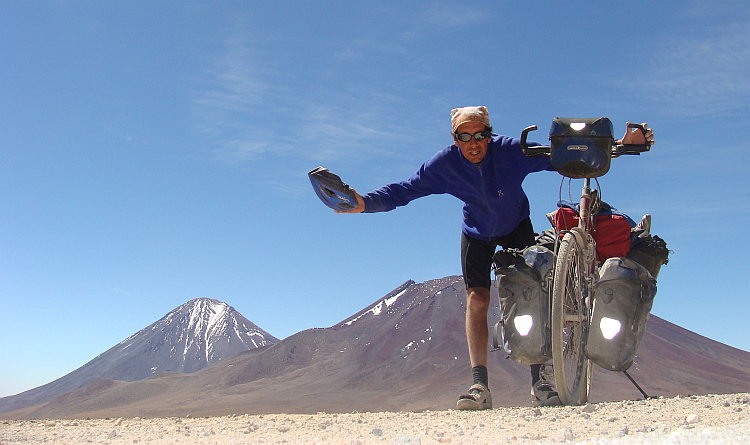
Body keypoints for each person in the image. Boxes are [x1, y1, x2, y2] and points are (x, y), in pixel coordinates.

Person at [336, 106, 653, 410]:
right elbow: (405, 190)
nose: (473, 143)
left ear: (490, 134)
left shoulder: (512, 152)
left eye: (479, 135)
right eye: (464, 136)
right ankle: (479, 386)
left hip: (516, 225)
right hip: (476, 233)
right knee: (477, 300)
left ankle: (539, 383)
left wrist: (622, 145)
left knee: (534, 292)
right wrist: (364, 203)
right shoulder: (444, 165)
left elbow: (563, 155)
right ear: (454, 139)